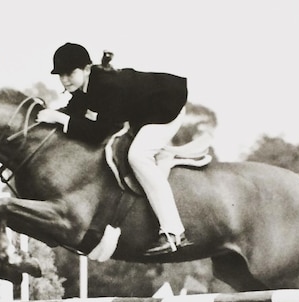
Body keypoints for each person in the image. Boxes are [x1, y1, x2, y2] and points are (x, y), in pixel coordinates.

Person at [36, 42, 192, 255]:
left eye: (69, 73)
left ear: (86, 69)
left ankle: (173, 233)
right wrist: (47, 115)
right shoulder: (86, 88)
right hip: (146, 112)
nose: (64, 79)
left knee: (138, 156)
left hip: (167, 107)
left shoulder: (107, 86)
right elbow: (72, 113)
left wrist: (57, 117)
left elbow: (98, 132)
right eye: (60, 74)